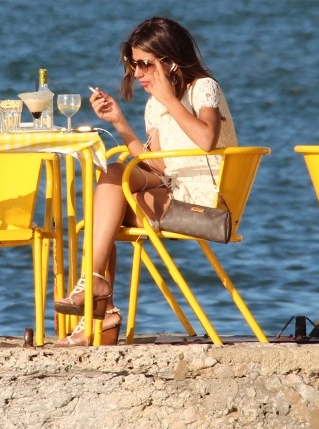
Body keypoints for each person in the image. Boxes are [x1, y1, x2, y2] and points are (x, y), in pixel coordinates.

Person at [52, 17, 238, 345]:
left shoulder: (203, 88)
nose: (137, 74)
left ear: (171, 63)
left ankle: (102, 309)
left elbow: (207, 139)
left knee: (104, 212)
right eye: (132, 64)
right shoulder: (154, 106)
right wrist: (119, 123)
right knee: (112, 174)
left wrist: (169, 101)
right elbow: (159, 165)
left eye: (144, 64)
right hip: (172, 193)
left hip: (208, 206)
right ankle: (98, 292)